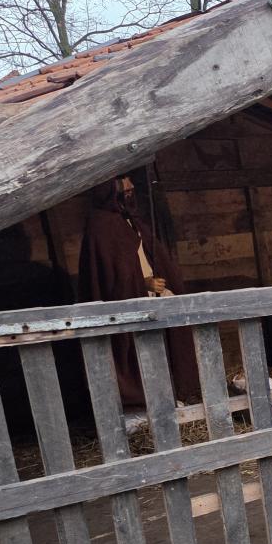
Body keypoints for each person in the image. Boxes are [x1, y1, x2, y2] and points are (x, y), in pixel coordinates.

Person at [78, 174, 198, 408]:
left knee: (165, 348)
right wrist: (142, 284)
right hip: (131, 307)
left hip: (153, 300)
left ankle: (171, 393)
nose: (130, 186)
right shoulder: (100, 226)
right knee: (139, 355)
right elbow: (106, 281)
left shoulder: (131, 221)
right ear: (107, 186)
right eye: (123, 180)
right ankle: (144, 401)